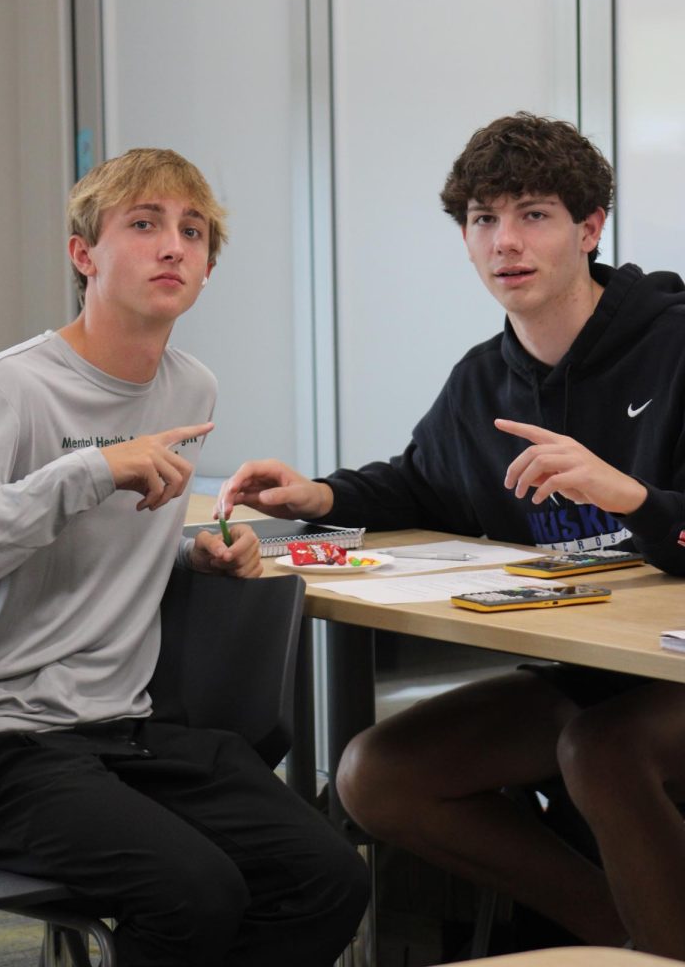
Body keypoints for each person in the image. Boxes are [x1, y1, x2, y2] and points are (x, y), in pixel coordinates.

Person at [0, 148, 368, 967]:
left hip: (122, 729)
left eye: (191, 231)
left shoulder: (191, 388)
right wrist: (87, 470)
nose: (172, 246)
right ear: (85, 255)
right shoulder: (11, 388)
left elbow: (93, 549)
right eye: (142, 225)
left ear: (210, 266)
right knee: (192, 891)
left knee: (326, 876)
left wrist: (190, 560)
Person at [219, 113, 685, 958]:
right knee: (378, 774)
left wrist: (635, 499)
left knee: (602, 750)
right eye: (481, 219)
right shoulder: (484, 377)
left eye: (533, 214)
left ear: (590, 228)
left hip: (666, 680)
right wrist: (316, 493)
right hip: (590, 679)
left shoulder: (675, 346)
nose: (505, 241)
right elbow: (425, 484)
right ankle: (621, 935)